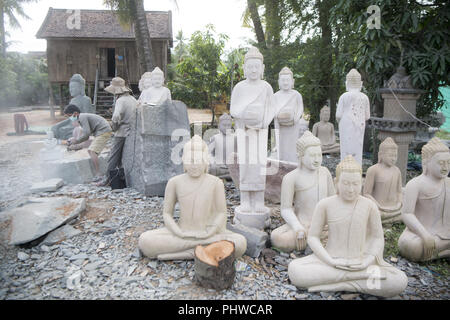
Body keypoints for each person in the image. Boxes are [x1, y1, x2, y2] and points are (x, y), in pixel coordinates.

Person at [288, 155, 408, 298]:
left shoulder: (369, 206)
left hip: (361, 262)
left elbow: (377, 238)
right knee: (296, 270)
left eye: (356, 184)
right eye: (345, 183)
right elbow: (313, 237)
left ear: (362, 183)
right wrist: (329, 260)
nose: (351, 189)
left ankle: (339, 283)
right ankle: (358, 282)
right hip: (331, 262)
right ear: (336, 182)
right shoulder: (325, 204)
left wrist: (367, 261)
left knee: (399, 280)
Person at [138, 135, 247, 260]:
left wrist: (210, 232)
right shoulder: (175, 182)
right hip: (182, 233)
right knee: (145, 240)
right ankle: (201, 252)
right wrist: (177, 232)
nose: (194, 166)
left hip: (207, 234)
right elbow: (167, 214)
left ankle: (183, 254)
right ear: (183, 161)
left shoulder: (215, 182)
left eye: (199, 161)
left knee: (240, 242)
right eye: (190, 161)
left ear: (206, 161)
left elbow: (221, 213)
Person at [271, 131, 335, 253]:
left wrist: (332, 222)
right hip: (303, 224)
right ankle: (317, 241)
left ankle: (317, 240)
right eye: (312, 155)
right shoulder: (291, 178)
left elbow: (333, 200)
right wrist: (297, 227)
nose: (317, 159)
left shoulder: (325, 172)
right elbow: (286, 209)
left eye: (319, 155)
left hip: (324, 225)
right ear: (300, 156)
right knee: (277, 238)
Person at [398, 137, 450, 261]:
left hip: (446, 233)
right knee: (412, 247)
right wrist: (425, 235)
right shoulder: (415, 184)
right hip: (420, 234)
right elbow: (407, 214)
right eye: (441, 163)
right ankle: (442, 250)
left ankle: (437, 252)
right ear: (426, 163)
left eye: (448, 162)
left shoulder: (449, 183)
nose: (445, 167)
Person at [97, 77, 137, 186]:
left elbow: (115, 117)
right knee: (122, 157)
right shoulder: (133, 99)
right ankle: (120, 178)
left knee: (113, 156)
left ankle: (107, 179)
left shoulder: (120, 100)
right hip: (132, 131)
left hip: (122, 132)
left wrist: (113, 127)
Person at [62, 104, 112, 181]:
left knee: (92, 151)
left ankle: (99, 174)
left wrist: (76, 141)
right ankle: (98, 172)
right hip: (101, 132)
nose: (70, 118)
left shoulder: (82, 117)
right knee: (90, 151)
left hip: (103, 131)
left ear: (75, 113)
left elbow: (87, 134)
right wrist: (76, 141)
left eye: (69, 115)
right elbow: (86, 135)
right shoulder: (81, 118)